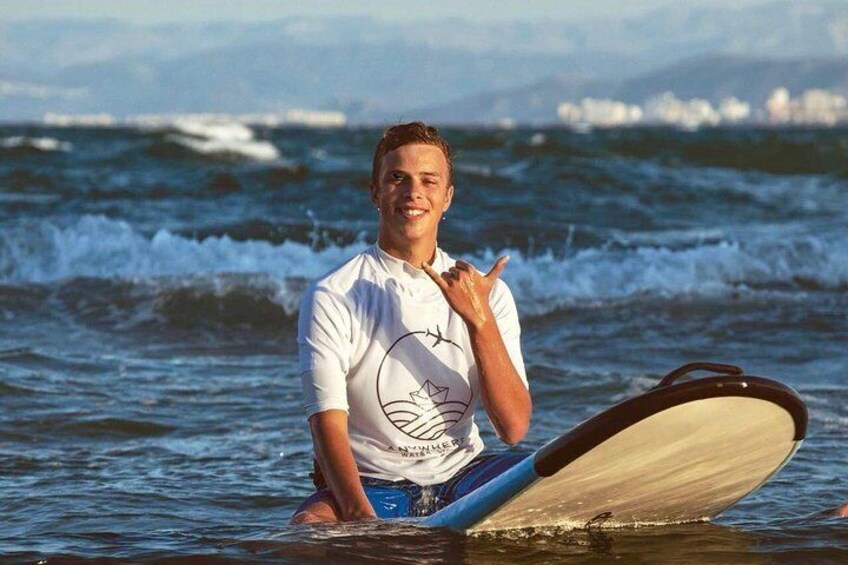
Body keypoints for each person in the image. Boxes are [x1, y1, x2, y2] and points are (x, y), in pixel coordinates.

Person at [291, 122, 532, 524]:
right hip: (375, 485)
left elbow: (513, 428)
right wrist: (360, 519)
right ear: (375, 192)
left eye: (428, 180)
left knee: (555, 479)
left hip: (465, 478)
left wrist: (479, 321)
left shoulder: (487, 296)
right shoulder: (334, 295)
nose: (413, 192)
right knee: (308, 532)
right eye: (397, 178)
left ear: (447, 197)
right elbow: (326, 422)